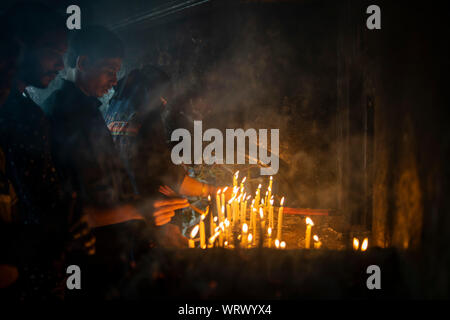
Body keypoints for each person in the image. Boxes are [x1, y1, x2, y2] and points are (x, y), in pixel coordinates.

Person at [42, 26, 188, 298]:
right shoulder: (67, 115)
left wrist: (152, 222)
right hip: (85, 259)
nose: (114, 80)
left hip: (108, 250)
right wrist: (143, 209)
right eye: (109, 70)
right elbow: (76, 212)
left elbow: (110, 185)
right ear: (83, 63)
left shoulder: (90, 110)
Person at [0, 3, 95, 300]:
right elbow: (40, 203)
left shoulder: (23, 107)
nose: (58, 64)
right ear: (19, 47)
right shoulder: (21, 115)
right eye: (52, 51)